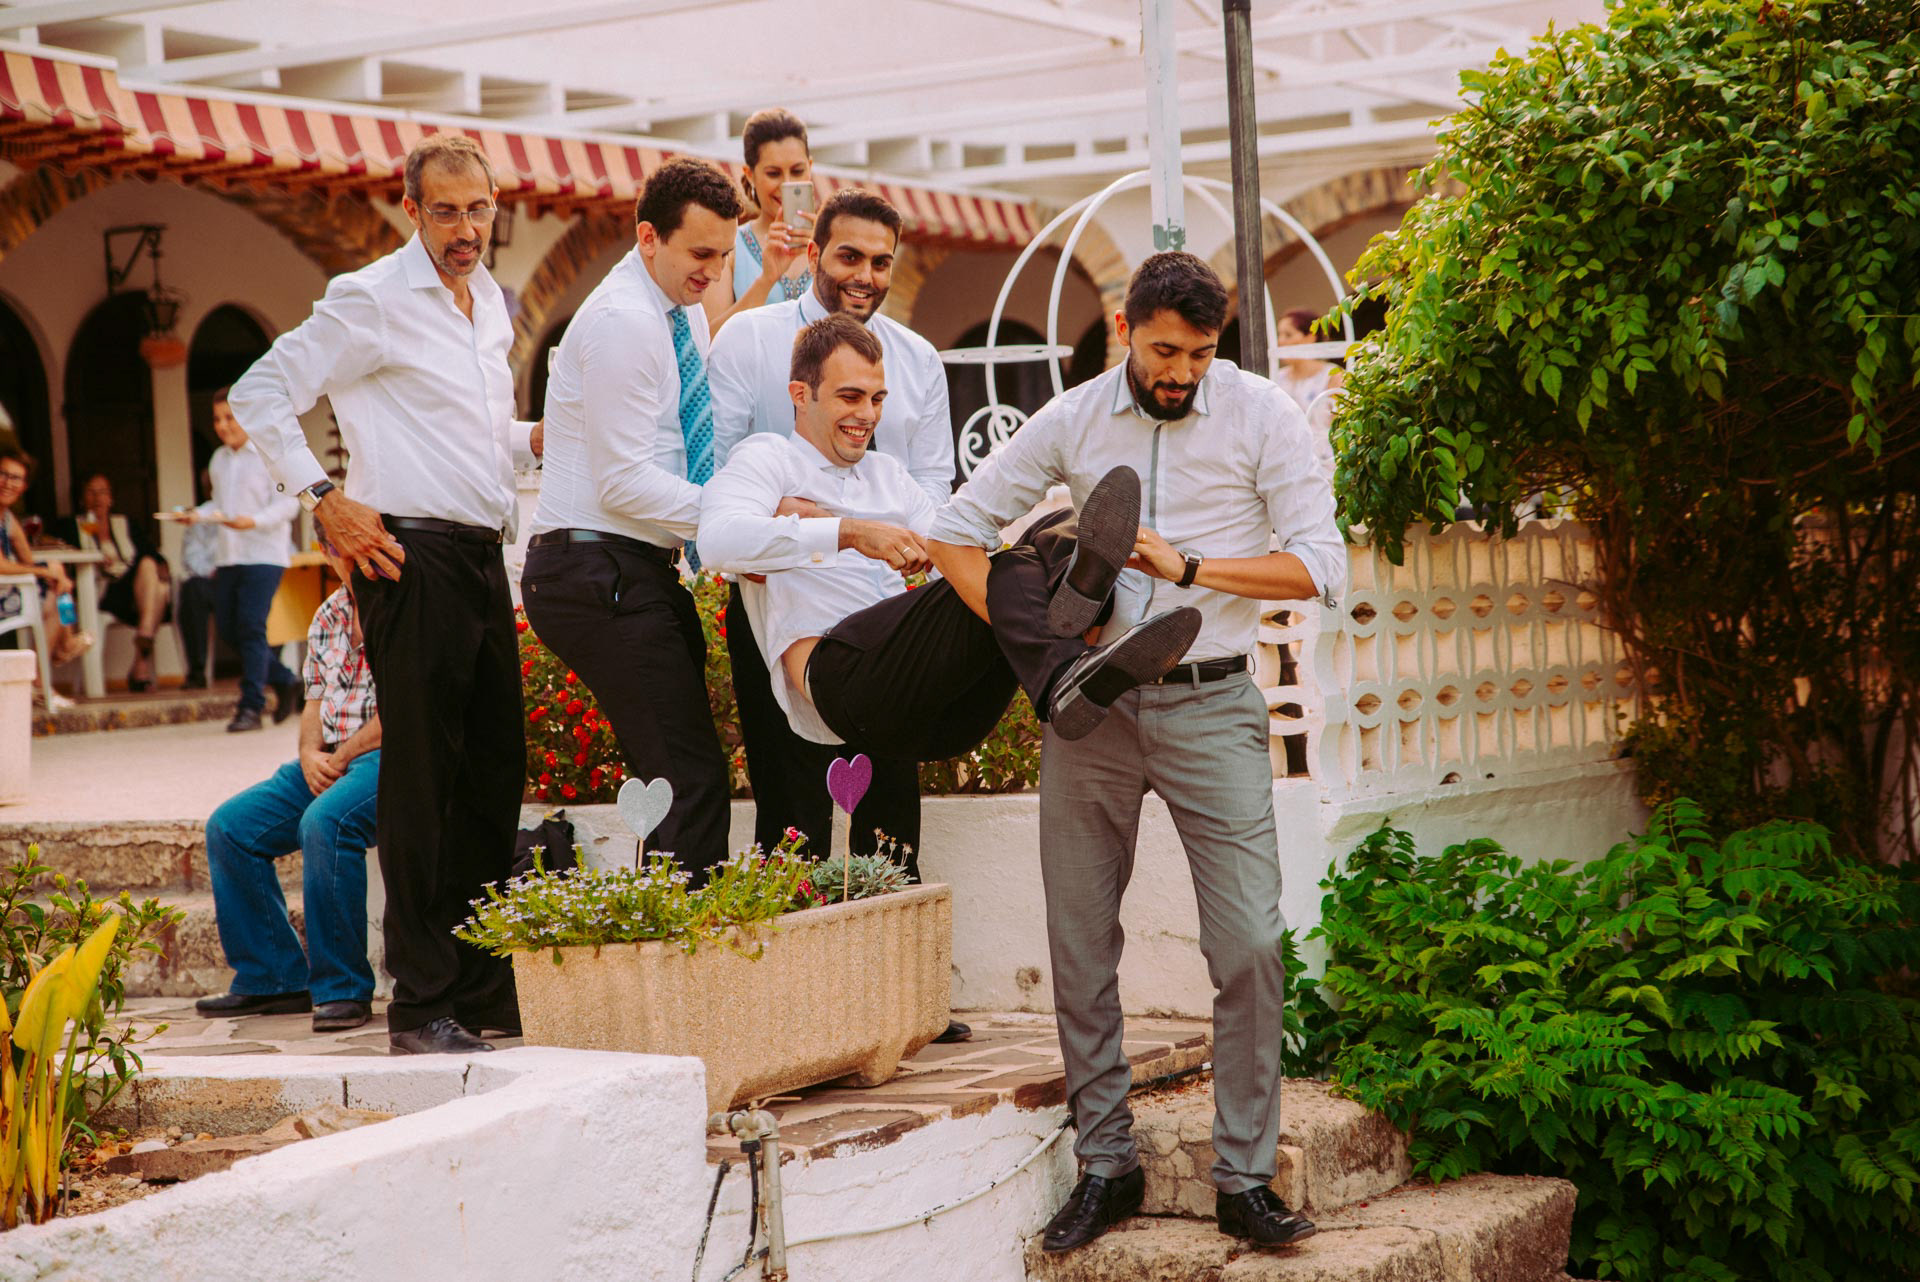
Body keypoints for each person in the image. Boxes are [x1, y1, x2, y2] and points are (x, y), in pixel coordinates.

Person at [928, 253, 1346, 1254]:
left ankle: (1243, 1175)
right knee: (1079, 943)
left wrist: (1191, 567)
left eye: (1199, 353)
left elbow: (1319, 566)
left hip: (1213, 698)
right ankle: (1106, 1165)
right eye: (1164, 350)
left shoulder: (1261, 414)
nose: (1181, 371)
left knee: (1248, 942)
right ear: (1126, 327)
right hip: (1091, 711)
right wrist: (1042, 651)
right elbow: (954, 531)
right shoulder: (1072, 418)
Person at [700, 314, 1206, 1048]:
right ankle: (1065, 661)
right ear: (799, 393)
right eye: (848, 397)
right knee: (1022, 555)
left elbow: (964, 549)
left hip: (925, 710)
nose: (865, 416)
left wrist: (1037, 560)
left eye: (875, 399)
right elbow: (716, 540)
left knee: (1037, 539)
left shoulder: (889, 477)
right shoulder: (765, 459)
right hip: (842, 678)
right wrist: (846, 531)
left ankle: (1068, 651)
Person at [229, 133, 539, 1056]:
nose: (464, 227)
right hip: (407, 559)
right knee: (423, 785)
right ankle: (422, 1004)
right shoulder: (369, 299)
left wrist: (540, 443)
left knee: (493, 775)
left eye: (478, 208)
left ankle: (481, 985)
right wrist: (322, 499)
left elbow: (472, 438)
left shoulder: (489, 305)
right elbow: (259, 392)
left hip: (483, 557)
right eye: (444, 209)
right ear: (412, 208)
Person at [709, 187, 955, 860]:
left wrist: (904, 542)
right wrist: (821, 529)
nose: (865, 276)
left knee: (892, 828)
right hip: (779, 601)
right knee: (793, 820)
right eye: (850, 256)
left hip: (881, 619)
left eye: (882, 263)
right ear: (815, 251)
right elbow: (717, 477)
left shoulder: (919, 360)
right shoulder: (750, 338)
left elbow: (934, 491)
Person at [521, 156, 741, 879]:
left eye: (724, 254)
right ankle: (680, 966)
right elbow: (622, 483)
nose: (713, 270)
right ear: (649, 237)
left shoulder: (672, 316)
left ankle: (666, 951)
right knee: (689, 778)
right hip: (595, 565)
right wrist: (737, 514)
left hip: (628, 567)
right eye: (700, 253)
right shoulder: (624, 322)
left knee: (676, 775)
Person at [193, 528, 380, 1032]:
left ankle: (343, 989)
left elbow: (406, 711)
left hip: (388, 757)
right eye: (340, 546)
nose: (353, 554)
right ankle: (273, 979)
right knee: (231, 827)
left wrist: (339, 756)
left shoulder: (402, 605)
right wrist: (306, 753)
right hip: (328, 758)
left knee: (326, 821)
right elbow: (312, 703)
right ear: (328, 550)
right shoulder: (328, 615)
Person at [202, 389, 301, 731]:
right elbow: (219, 507)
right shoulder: (218, 460)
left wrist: (254, 521)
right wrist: (194, 516)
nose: (222, 425)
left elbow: (290, 504)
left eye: (229, 417)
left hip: (264, 555)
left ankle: (251, 706)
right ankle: (286, 679)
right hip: (229, 556)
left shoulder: (267, 455)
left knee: (251, 626)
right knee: (230, 629)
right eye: (217, 419)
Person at [703, 107, 814, 334]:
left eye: (797, 171)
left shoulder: (833, 245)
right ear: (750, 174)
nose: (786, 184)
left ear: (810, 168)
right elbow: (709, 340)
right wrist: (766, 280)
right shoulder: (729, 248)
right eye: (773, 173)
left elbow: (866, 331)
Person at [58, 473, 171, 692]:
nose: (98, 498)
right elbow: (57, 550)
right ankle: (141, 661)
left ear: (111, 498)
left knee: (149, 565)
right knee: (160, 590)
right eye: (91, 492)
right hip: (99, 590)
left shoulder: (125, 523)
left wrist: (162, 565)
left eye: (103, 492)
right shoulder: (71, 526)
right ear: (82, 498)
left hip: (132, 592)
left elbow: (152, 554)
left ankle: (142, 649)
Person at [0, 446, 91, 683]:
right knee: (52, 588)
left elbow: (27, 558)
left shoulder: (6, 516)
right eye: (3, 474)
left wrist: (52, 570)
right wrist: (44, 571)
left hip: (7, 590)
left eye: (16, 478)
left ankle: (65, 642)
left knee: (56, 573)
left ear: (24, 487)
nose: (8, 483)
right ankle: (45, 671)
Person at [176, 471, 220, 689]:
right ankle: (197, 670)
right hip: (212, 579)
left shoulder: (254, 511)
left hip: (244, 577)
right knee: (192, 591)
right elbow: (191, 558)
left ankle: (269, 672)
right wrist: (215, 570)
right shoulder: (199, 517)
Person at [1272, 306, 1345, 415]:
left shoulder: (1332, 375)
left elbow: (1341, 422)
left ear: (1310, 337)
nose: (1280, 341)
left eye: (1288, 335)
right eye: (1279, 335)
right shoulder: (1277, 377)